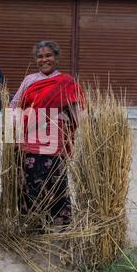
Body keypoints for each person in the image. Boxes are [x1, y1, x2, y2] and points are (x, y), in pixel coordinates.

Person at [11, 40, 84, 228]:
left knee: (56, 179)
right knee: (32, 180)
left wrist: (86, 125)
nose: (44, 60)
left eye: (48, 55)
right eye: (40, 56)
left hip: (55, 138)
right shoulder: (29, 80)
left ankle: (59, 224)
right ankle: (35, 225)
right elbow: (15, 105)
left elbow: (76, 110)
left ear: (56, 57)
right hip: (31, 138)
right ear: (36, 60)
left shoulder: (66, 82)